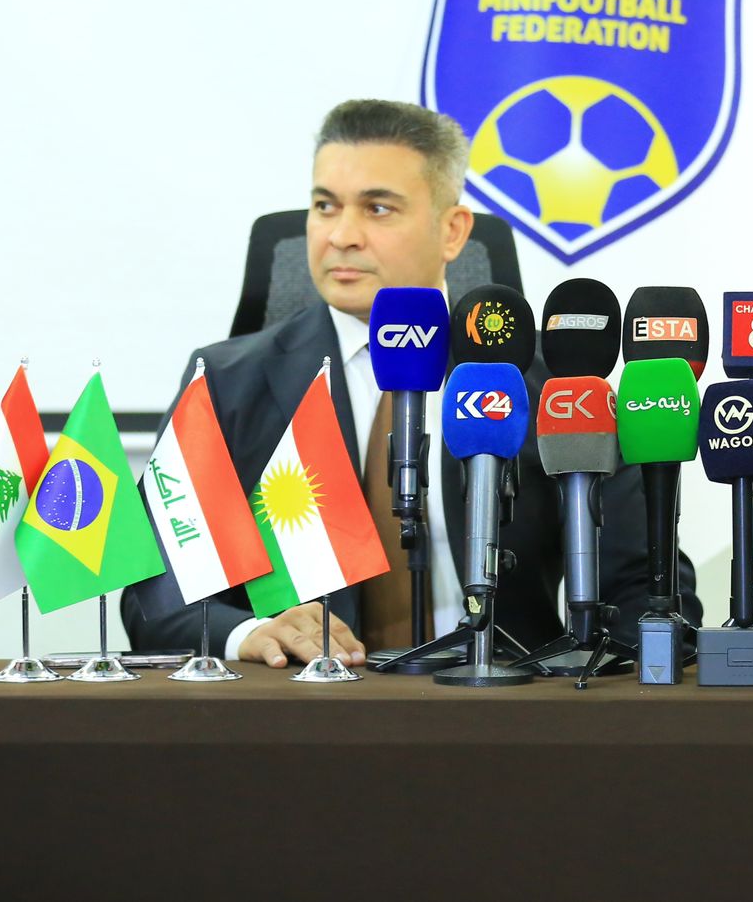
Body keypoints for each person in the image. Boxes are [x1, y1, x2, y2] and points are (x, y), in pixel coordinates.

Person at [123, 98, 698, 667]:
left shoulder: (560, 387)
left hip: (505, 701)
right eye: (325, 206)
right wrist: (248, 632)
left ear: (452, 231)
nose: (341, 235)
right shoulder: (226, 383)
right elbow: (154, 594)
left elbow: (645, 585)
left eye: (377, 208)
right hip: (304, 701)